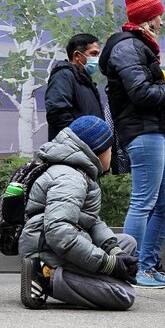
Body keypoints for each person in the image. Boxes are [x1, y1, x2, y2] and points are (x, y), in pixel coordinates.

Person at [99, 0, 165, 289]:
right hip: (142, 130)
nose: (162, 22)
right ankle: (131, 267)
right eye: (158, 16)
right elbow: (140, 93)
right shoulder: (128, 47)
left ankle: (149, 266)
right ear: (147, 18)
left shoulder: (141, 46)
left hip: (156, 129)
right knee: (143, 202)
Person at [19, 116, 139, 310]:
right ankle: (45, 277)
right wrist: (108, 264)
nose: (113, 154)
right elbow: (59, 233)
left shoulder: (79, 172)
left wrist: (114, 250)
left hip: (58, 244)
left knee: (127, 244)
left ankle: (84, 277)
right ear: (98, 151)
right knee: (123, 295)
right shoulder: (70, 178)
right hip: (46, 250)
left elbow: (90, 222)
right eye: (110, 148)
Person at [45, 34, 104, 141]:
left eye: (98, 54)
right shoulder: (63, 75)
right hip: (73, 150)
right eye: (93, 54)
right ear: (77, 55)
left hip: (89, 149)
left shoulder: (84, 79)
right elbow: (57, 112)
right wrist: (80, 138)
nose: (97, 59)